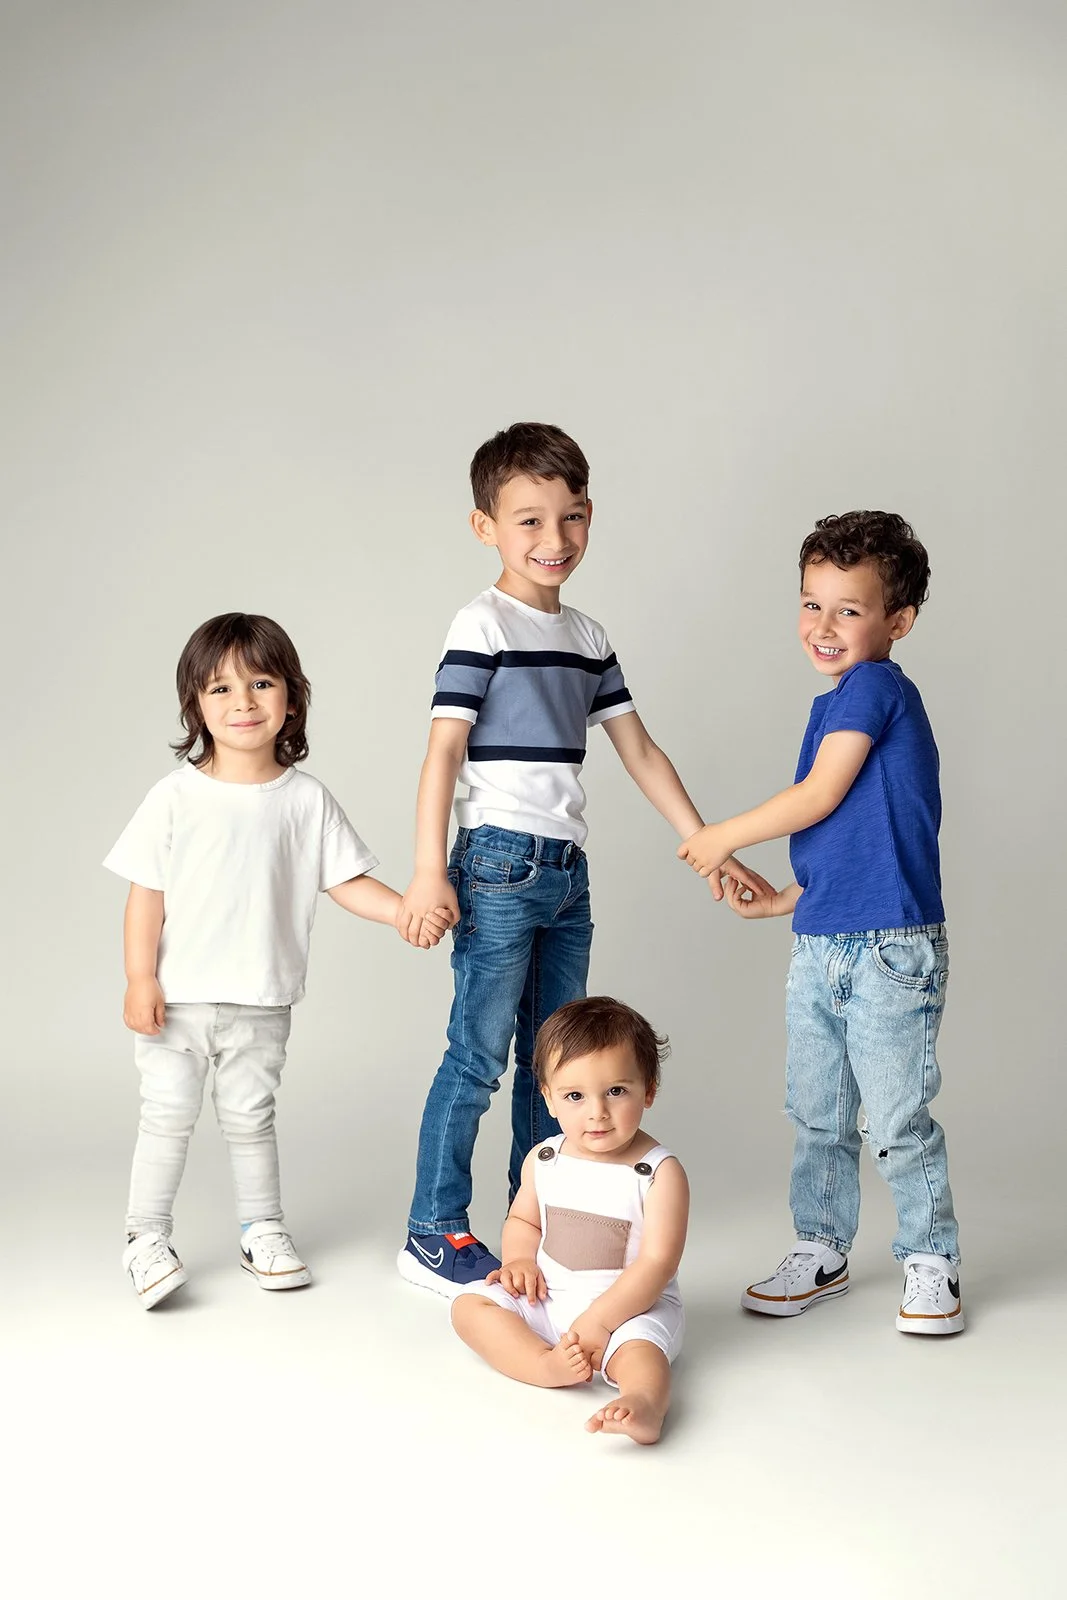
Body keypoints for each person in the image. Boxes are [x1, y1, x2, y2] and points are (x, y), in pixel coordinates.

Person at [395, 421, 770, 1295]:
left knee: (556, 1064)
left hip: (565, 875)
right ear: (485, 526)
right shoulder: (481, 623)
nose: (552, 540)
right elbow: (443, 754)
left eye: (569, 519)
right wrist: (427, 869)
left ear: (590, 517)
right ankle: (432, 1229)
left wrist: (705, 844)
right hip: (494, 866)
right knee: (477, 1054)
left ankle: (541, 1224)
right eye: (527, 521)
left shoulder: (589, 638)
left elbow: (638, 751)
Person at [104, 612, 450, 1309]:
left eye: (261, 684)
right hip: (179, 999)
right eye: (220, 689)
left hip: (262, 998)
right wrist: (139, 978)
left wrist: (404, 911)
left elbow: (344, 879)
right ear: (195, 706)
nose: (243, 703)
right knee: (166, 1116)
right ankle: (144, 1237)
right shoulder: (174, 797)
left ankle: (262, 1228)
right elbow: (146, 896)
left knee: (250, 1118)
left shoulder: (305, 799)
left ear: (291, 698)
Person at [679, 511, 963, 1334]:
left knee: (895, 1115)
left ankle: (929, 1257)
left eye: (848, 609)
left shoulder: (876, 690)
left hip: (889, 949)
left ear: (896, 623)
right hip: (821, 943)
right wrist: (778, 902)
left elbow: (819, 798)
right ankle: (820, 1246)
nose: (823, 626)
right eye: (811, 604)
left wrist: (717, 836)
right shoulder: (835, 702)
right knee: (818, 1110)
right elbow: (852, 844)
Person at [451, 997, 687, 1444]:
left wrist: (601, 1321)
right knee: (469, 1306)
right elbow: (523, 1219)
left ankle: (643, 1404)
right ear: (549, 1099)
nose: (596, 1111)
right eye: (575, 1096)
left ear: (649, 1089)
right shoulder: (545, 1159)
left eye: (616, 1091)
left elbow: (658, 1263)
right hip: (549, 1299)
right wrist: (520, 1261)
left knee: (642, 1352)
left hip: (627, 1310)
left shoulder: (658, 1172)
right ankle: (543, 1363)